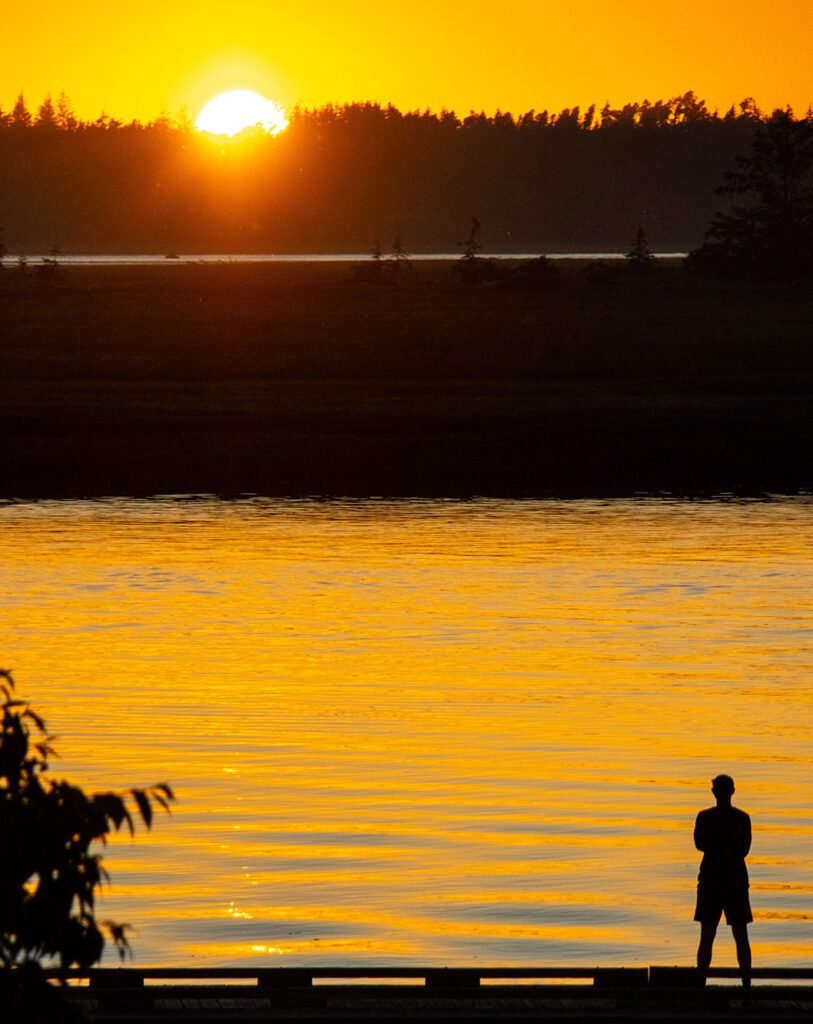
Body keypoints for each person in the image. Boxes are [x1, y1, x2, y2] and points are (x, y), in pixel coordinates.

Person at [694, 774, 752, 987]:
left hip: (711, 880)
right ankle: (747, 985)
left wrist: (716, 847)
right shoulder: (742, 818)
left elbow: (699, 844)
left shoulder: (704, 817)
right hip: (735, 880)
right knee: (741, 935)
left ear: (713, 793)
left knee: (707, 935)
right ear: (733, 792)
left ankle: (701, 983)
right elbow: (744, 849)